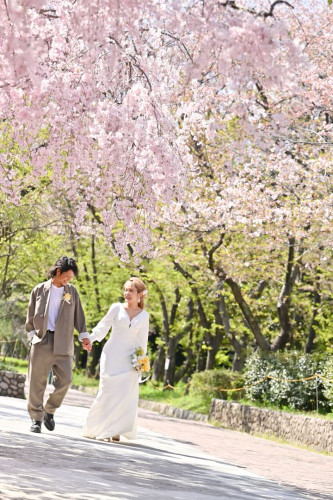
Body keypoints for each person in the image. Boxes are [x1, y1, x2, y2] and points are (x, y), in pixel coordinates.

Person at [26, 256, 91, 433]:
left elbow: (79, 317)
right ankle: (36, 419)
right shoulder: (39, 290)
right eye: (67, 276)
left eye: (71, 277)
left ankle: (49, 409)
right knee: (36, 382)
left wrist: (84, 336)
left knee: (66, 379)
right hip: (42, 341)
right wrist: (33, 336)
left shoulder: (72, 292)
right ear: (58, 271)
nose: (68, 280)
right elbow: (30, 315)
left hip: (64, 342)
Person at [82, 277, 149, 442]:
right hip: (111, 355)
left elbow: (142, 342)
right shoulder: (116, 308)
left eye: (131, 290)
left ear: (140, 294)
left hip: (129, 361)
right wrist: (90, 338)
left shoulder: (144, 315)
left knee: (124, 395)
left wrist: (141, 363)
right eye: (125, 290)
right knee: (107, 392)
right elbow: (102, 327)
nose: (127, 293)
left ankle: (115, 429)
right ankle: (100, 429)